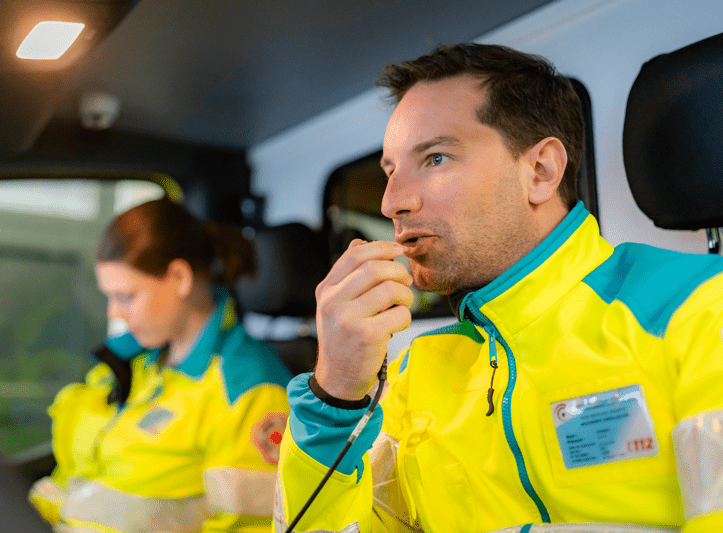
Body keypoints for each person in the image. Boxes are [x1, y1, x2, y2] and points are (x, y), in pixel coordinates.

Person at [274, 44, 723, 533]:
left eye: (435, 158)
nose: (392, 203)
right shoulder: (411, 375)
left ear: (540, 171)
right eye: (390, 172)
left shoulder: (698, 310)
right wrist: (335, 395)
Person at [29, 197, 292, 532]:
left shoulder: (248, 388)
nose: (114, 314)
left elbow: (250, 526)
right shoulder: (128, 365)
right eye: (109, 297)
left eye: (125, 297)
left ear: (179, 278)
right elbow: (74, 483)